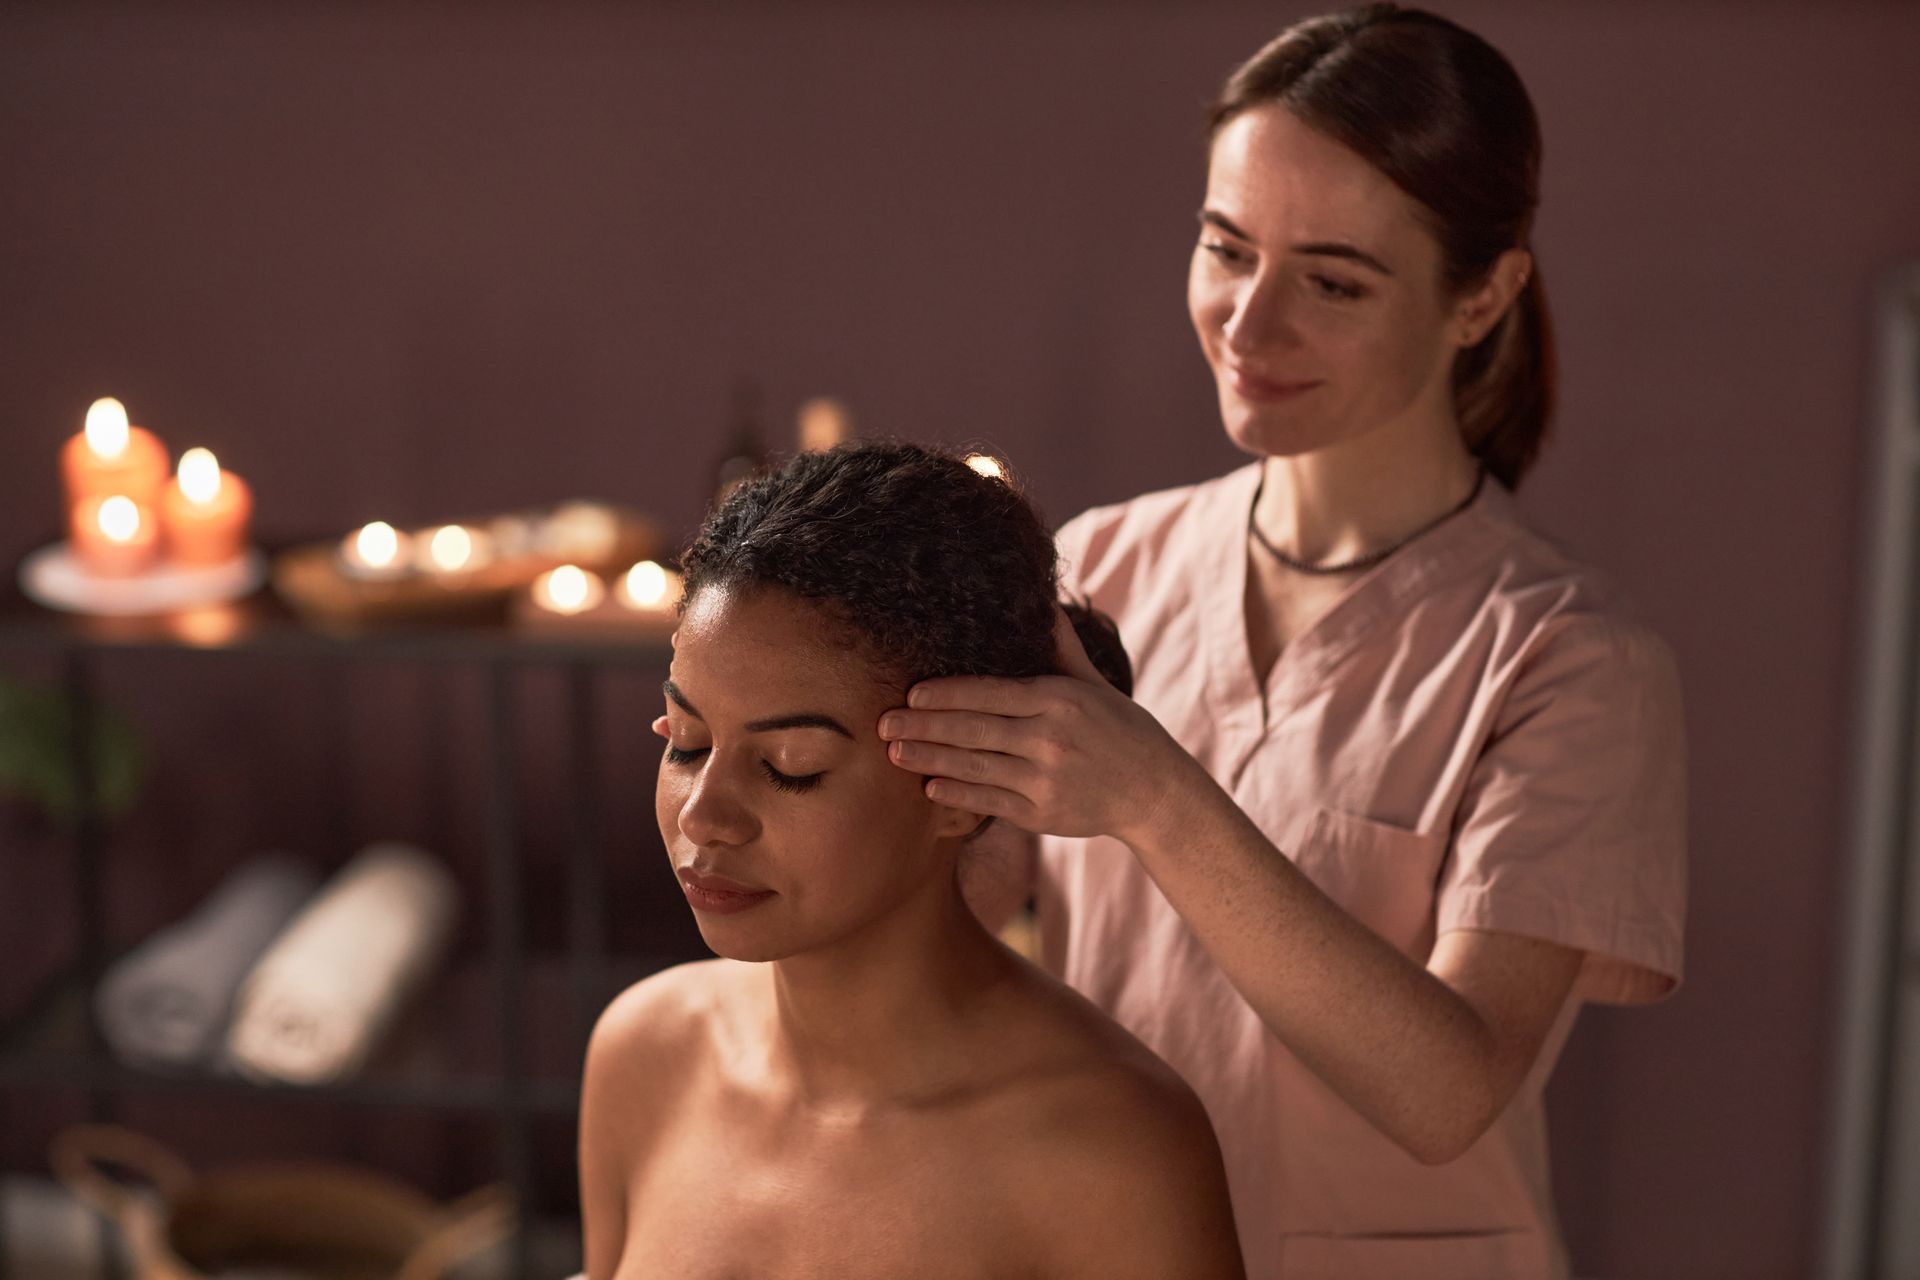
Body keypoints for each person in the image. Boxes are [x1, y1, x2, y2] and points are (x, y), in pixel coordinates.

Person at [878, 6, 1686, 1278]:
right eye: (1225, 248)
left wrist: (1154, 796)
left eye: (1333, 280)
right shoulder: (1100, 564)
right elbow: (958, 919)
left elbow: (1449, 1085)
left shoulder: (1566, 659)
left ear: (1483, 296)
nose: (1250, 326)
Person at [578, 442, 1245, 1280]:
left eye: (791, 768)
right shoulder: (646, 1056)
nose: (705, 816)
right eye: (686, 744)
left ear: (966, 787)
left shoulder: (1107, 1151)